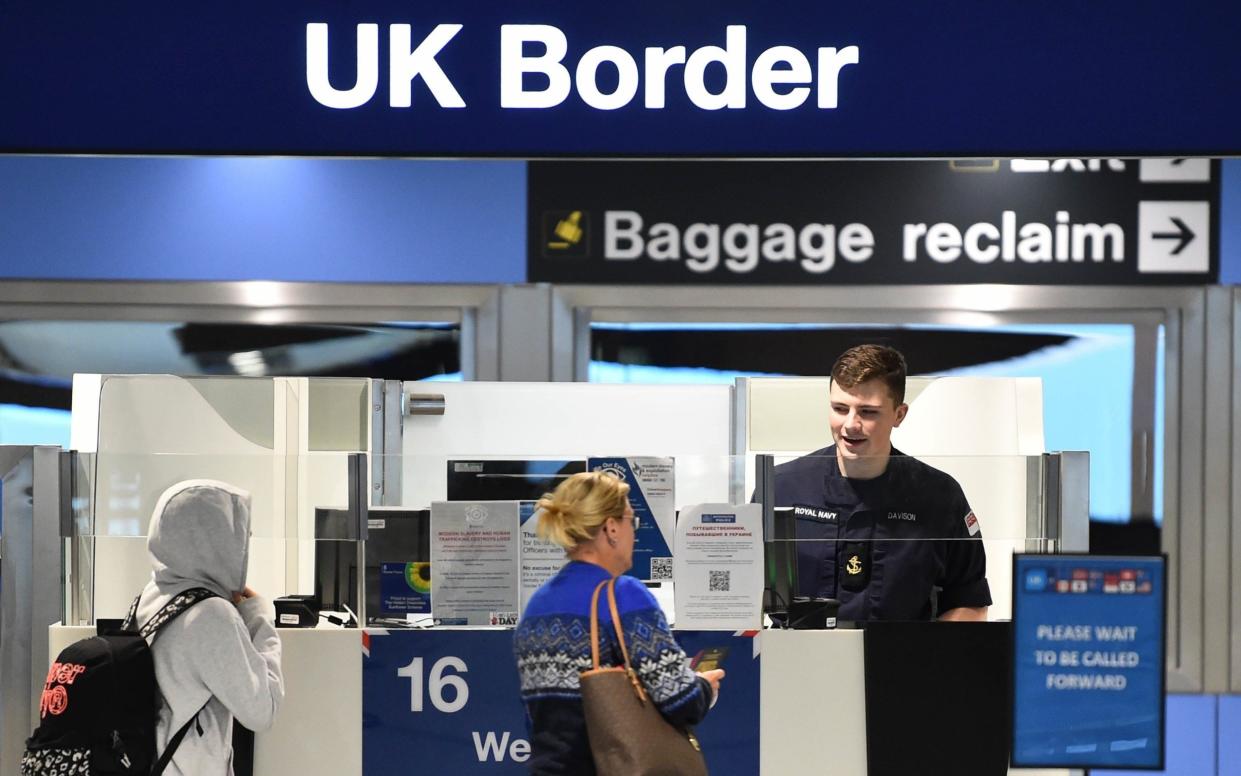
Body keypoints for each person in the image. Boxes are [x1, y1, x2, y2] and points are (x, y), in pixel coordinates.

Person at [513, 471, 724, 775]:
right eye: (631, 521)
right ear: (611, 527)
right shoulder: (625, 596)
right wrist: (704, 686)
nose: (633, 533)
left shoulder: (537, 605)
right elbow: (681, 700)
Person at [772, 344, 991, 622]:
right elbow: (742, 596)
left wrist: (931, 661)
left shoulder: (940, 496)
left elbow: (969, 602)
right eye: (840, 408)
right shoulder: (781, 488)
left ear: (899, 415)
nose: (850, 424)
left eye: (868, 412)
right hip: (798, 661)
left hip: (902, 661)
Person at [136, 479, 284, 776]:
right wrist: (257, 615)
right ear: (212, 539)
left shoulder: (154, 594)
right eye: (239, 534)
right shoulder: (210, 614)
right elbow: (262, 710)